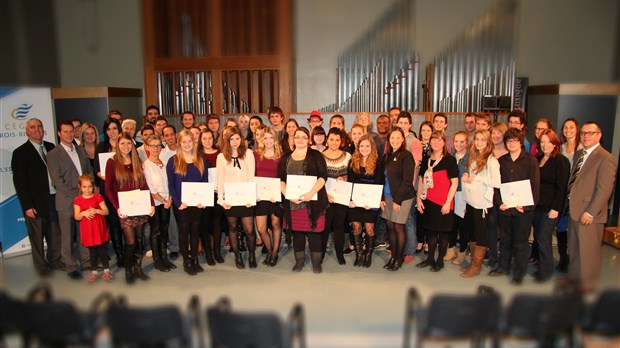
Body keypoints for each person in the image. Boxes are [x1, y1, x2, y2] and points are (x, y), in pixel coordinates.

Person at [565, 122, 617, 293]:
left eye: (590, 133)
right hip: (575, 209)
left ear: (599, 135)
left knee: (588, 251)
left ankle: (587, 284)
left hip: (589, 212)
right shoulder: (580, 153)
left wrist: (591, 212)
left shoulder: (605, 157)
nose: (586, 136)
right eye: (584, 133)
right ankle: (574, 279)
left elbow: (605, 189)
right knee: (574, 249)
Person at [11, 118, 62, 277]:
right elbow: (20, 182)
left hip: (53, 198)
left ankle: (55, 261)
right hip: (35, 203)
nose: (37, 129)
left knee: (54, 234)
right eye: (33, 127)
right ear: (27, 131)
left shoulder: (51, 147)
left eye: (39, 126)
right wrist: (27, 205)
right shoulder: (20, 153)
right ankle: (41, 266)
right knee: (37, 237)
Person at [489, 128, 540, 285]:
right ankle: (503, 267)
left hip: (522, 210)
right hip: (505, 209)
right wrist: (499, 203)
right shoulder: (501, 161)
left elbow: (535, 185)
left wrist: (526, 207)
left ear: (520, 142)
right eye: (508, 141)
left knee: (521, 243)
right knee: (505, 240)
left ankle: (519, 272)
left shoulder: (530, 161)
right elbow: (496, 185)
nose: (511, 143)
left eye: (514, 140)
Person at [105, 132, 155, 284]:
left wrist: (151, 203)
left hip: (140, 206)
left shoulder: (137, 160)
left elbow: (144, 184)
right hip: (125, 209)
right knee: (130, 241)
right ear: (117, 145)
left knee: (140, 240)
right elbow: (108, 188)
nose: (126, 146)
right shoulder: (112, 162)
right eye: (122, 143)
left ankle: (138, 268)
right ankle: (128, 270)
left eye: (128, 143)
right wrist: (117, 207)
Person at [47, 120, 94, 280]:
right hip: (67, 201)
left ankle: (86, 261)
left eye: (71, 131)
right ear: (59, 134)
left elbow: (88, 171)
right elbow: (58, 181)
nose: (69, 134)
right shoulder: (53, 154)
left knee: (83, 233)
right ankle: (70, 266)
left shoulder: (80, 151)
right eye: (65, 131)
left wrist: (90, 191)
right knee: (67, 236)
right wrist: (79, 197)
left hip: (84, 199)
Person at [279, 127, 328, 273]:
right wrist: (289, 195)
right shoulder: (286, 157)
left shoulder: (316, 155)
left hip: (313, 201)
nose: (300, 140)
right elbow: (280, 180)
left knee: (314, 232)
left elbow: (322, 177)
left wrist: (311, 193)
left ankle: (316, 262)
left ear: (309, 139)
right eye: (297, 137)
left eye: (304, 137)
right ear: (293, 139)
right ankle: (299, 261)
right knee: (297, 233)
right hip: (293, 202)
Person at [167, 130, 209, 275]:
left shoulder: (201, 159)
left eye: (189, 141)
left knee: (195, 231)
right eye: (183, 141)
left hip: (197, 204)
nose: (186, 144)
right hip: (181, 204)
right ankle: (186, 260)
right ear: (179, 143)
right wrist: (178, 202)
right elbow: (171, 185)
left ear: (194, 142)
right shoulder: (173, 161)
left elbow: (205, 181)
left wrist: (203, 200)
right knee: (184, 232)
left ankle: (195, 259)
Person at [460, 130, 501, 278]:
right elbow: (471, 173)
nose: (479, 142)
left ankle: (476, 266)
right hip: (471, 200)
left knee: (480, 233)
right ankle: (472, 262)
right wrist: (466, 175)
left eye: (482, 139)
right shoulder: (474, 156)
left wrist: (477, 179)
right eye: (477, 139)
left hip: (482, 203)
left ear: (488, 141)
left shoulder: (491, 160)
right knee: (472, 231)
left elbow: (497, 182)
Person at [416, 131, 458, 272]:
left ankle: (439, 260)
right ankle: (429, 259)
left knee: (443, 233)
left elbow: (454, 183)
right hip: (428, 201)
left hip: (443, 202)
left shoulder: (449, 160)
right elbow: (421, 181)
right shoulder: (426, 159)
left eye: (439, 140)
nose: (436, 142)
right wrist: (419, 198)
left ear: (444, 142)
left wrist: (448, 202)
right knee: (431, 232)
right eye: (433, 140)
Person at [531, 129, 569, 282]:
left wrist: (556, 208)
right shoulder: (538, 159)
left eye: (548, 142)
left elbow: (562, 188)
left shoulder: (560, 160)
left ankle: (546, 272)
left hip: (550, 208)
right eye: (542, 142)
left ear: (555, 144)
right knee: (538, 237)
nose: (545, 145)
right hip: (537, 206)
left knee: (543, 238)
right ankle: (542, 266)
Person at [217, 127, 257, 269]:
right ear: (227, 140)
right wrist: (222, 201)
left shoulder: (249, 154)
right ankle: (237, 256)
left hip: (246, 199)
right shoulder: (221, 157)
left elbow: (251, 177)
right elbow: (220, 181)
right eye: (231, 139)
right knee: (232, 228)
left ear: (241, 139)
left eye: (237, 138)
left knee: (249, 230)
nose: (234, 142)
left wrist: (251, 198)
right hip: (230, 200)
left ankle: (252, 255)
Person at [381, 127, 416, 271]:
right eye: (392, 138)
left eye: (398, 137)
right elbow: (382, 179)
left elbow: (407, 181)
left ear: (403, 139)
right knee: (390, 227)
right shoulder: (387, 155)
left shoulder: (406, 156)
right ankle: (393, 256)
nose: (395, 140)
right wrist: (382, 197)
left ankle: (398, 259)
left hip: (402, 197)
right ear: (389, 140)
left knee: (398, 227)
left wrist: (398, 200)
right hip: (388, 197)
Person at [347, 135, 384, 267]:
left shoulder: (378, 164)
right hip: (355, 202)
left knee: (369, 228)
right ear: (358, 147)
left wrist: (373, 202)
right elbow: (350, 183)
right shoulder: (353, 163)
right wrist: (349, 200)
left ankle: (368, 255)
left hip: (370, 203)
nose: (364, 148)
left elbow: (380, 184)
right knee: (356, 227)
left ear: (372, 147)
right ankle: (359, 255)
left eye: (367, 146)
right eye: (362, 146)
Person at [142, 134, 176, 272]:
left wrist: (169, 199)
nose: (156, 148)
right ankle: (157, 260)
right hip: (155, 203)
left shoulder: (164, 163)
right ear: (148, 147)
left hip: (166, 202)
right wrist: (163, 200)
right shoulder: (146, 166)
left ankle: (164, 258)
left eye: (158, 145)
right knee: (155, 232)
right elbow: (150, 188)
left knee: (164, 231)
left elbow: (169, 183)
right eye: (153, 145)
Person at [94, 117, 124, 268]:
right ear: (105, 132)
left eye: (114, 128)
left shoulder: (124, 144)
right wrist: (105, 176)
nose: (112, 132)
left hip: (124, 190)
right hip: (109, 189)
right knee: (114, 224)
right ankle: (119, 255)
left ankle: (128, 252)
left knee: (125, 222)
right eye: (109, 129)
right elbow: (96, 170)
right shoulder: (101, 147)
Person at [322, 128, 352, 265]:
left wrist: (345, 179)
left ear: (341, 141)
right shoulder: (320, 156)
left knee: (339, 225)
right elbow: (317, 178)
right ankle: (321, 254)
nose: (334, 142)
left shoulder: (347, 156)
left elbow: (352, 176)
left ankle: (340, 254)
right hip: (325, 197)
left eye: (337, 140)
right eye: (332, 139)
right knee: (325, 226)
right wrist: (325, 194)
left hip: (341, 197)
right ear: (327, 139)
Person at [73, 174, 112, 283]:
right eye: (84, 187)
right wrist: (83, 213)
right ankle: (94, 272)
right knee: (92, 252)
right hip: (88, 230)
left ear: (93, 187)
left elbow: (106, 211)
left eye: (89, 186)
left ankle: (107, 271)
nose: (87, 189)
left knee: (102, 250)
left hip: (98, 229)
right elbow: (76, 216)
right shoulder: (77, 200)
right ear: (80, 187)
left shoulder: (98, 197)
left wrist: (97, 211)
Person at [254, 127, 284, 266]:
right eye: (265, 138)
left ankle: (275, 253)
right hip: (260, 196)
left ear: (275, 139)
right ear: (261, 139)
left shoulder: (281, 155)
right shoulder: (255, 154)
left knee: (276, 224)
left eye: (271, 137)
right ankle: (270, 250)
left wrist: (277, 193)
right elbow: (252, 176)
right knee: (261, 228)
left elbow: (283, 177)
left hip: (276, 195)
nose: (268, 141)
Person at [556, 118, 582, 272]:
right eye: (565, 127)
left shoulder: (583, 148)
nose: (568, 130)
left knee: (574, 229)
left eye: (571, 127)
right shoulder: (561, 148)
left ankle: (575, 261)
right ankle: (563, 257)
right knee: (561, 227)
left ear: (577, 129)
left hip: (577, 193)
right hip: (563, 193)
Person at [197, 129, 224, 265]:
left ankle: (217, 251)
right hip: (204, 193)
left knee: (217, 223)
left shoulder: (220, 154)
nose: (207, 141)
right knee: (204, 224)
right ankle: (208, 253)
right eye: (204, 138)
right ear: (200, 141)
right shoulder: (197, 155)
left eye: (209, 138)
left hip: (217, 193)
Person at [486, 121, 508, 268]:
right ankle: (493, 254)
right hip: (490, 196)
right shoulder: (487, 153)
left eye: (498, 132)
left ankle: (505, 256)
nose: (495, 135)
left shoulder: (510, 152)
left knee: (506, 229)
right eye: (493, 132)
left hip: (506, 196)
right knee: (491, 227)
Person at [446, 131, 469, 263]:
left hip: (464, 195)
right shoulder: (450, 157)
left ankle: (462, 252)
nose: (458, 144)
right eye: (456, 141)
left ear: (466, 143)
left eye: (462, 141)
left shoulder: (471, 158)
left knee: (463, 224)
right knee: (451, 223)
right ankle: (451, 248)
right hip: (450, 193)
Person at [415, 120, 433, 254]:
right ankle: (420, 240)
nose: (425, 133)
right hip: (419, 181)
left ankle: (428, 241)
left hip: (431, 185)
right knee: (419, 213)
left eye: (428, 130)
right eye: (423, 130)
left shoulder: (435, 146)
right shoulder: (417, 145)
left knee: (429, 213)